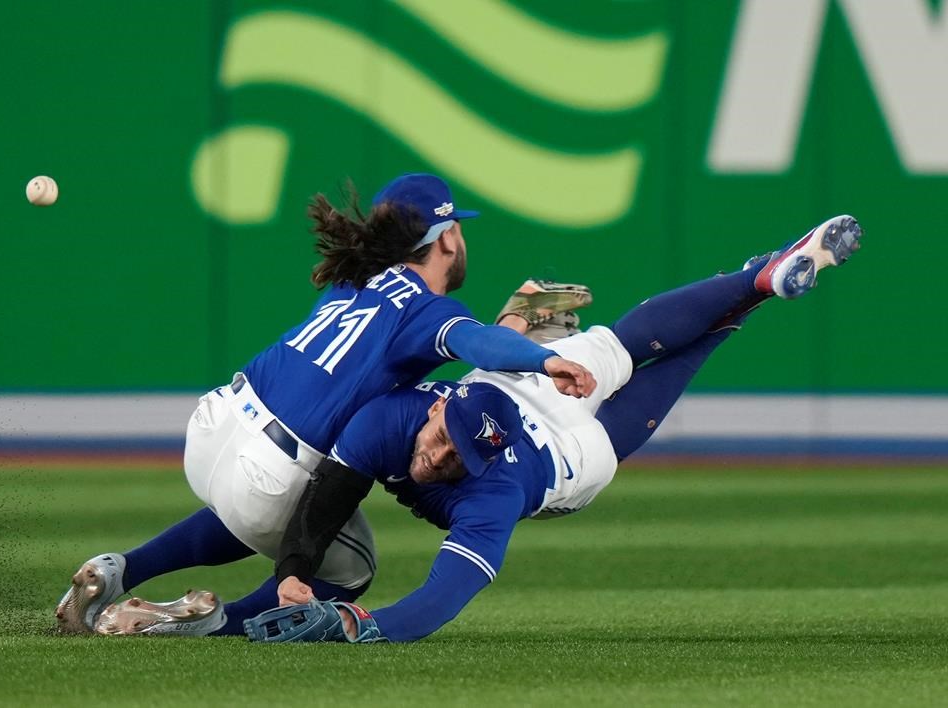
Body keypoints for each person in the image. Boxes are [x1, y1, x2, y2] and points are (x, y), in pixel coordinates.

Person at [97, 214, 863, 641]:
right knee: (628, 344)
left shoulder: (495, 488)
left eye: (451, 461)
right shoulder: (403, 418)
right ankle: (753, 281)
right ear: (437, 404)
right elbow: (325, 496)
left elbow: (440, 597)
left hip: (571, 450)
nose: (434, 462)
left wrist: (363, 624)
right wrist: (298, 568)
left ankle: (753, 286)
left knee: (667, 359)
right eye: (440, 440)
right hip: (520, 377)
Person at [54, 173, 596, 635]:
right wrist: (542, 359)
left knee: (264, 509)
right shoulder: (425, 311)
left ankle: (121, 569)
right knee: (349, 567)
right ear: (448, 237)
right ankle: (214, 622)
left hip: (215, 426)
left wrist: (517, 321)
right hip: (270, 468)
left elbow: (478, 342)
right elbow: (476, 344)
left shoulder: (349, 287)